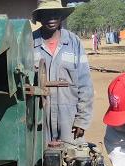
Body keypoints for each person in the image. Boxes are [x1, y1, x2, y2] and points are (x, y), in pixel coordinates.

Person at [32, 0, 94, 144]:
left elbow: (85, 83)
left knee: (72, 159)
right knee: (39, 160)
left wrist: (81, 120)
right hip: (39, 119)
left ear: (61, 16)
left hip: (69, 120)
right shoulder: (29, 42)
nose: (51, 18)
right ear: (39, 17)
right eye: (46, 14)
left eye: (55, 13)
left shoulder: (74, 42)